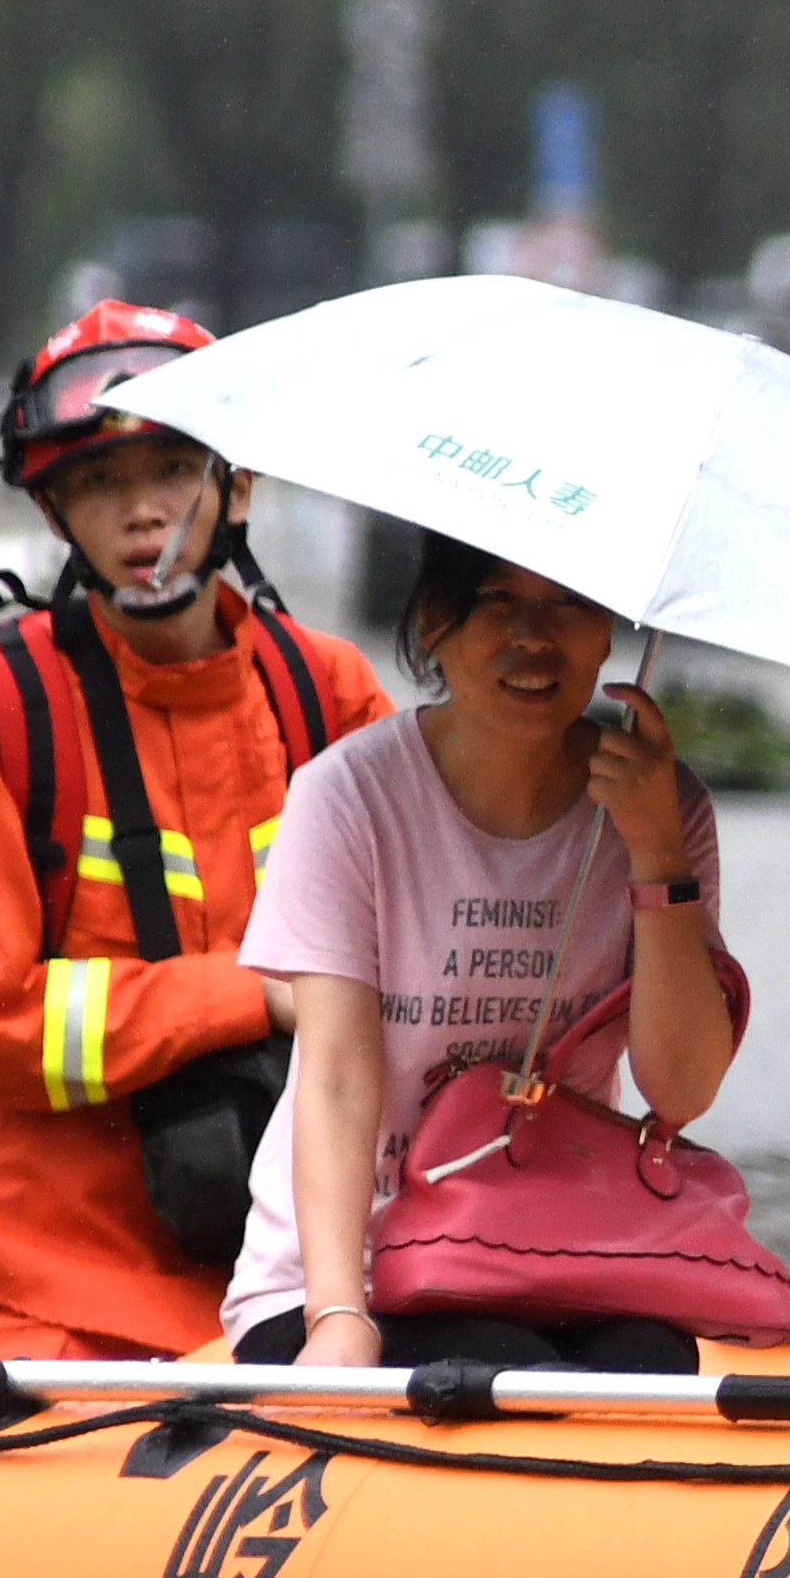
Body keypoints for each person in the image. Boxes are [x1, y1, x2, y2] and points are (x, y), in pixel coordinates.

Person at [0, 298, 380, 1363]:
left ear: (238, 484)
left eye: (168, 470)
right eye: (98, 483)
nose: (139, 511)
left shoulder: (329, 692)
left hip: (307, 1269)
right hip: (54, 1290)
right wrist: (257, 994)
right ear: (56, 513)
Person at [247, 526, 744, 1372]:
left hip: (556, 1257)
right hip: (350, 1268)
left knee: (654, 1361)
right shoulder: (346, 797)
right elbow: (333, 1077)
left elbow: (681, 1090)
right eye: (499, 602)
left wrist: (658, 852)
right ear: (435, 621)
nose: (534, 639)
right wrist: (337, 1314)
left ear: (606, 631)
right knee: (504, 1364)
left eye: (569, 605)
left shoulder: (663, 805)